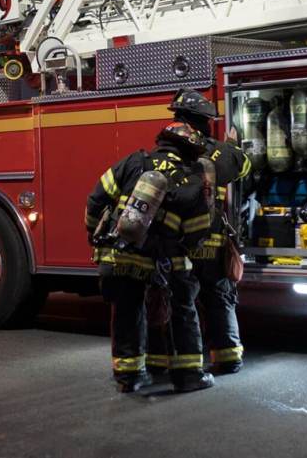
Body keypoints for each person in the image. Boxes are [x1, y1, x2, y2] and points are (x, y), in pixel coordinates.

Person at [85, 122, 215, 393]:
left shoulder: (135, 161)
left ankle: (129, 377)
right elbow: (197, 230)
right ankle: (189, 375)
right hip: (165, 260)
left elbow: (97, 197)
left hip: (120, 253)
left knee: (127, 312)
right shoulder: (191, 177)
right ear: (190, 150)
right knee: (183, 308)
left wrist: (93, 233)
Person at [151, 89, 251, 375]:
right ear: (204, 121)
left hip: (180, 244)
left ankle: (174, 361)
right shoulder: (218, 152)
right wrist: (232, 146)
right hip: (213, 241)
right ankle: (228, 357)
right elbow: (244, 165)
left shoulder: (168, 153)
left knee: (181, 302)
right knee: (219, 297)